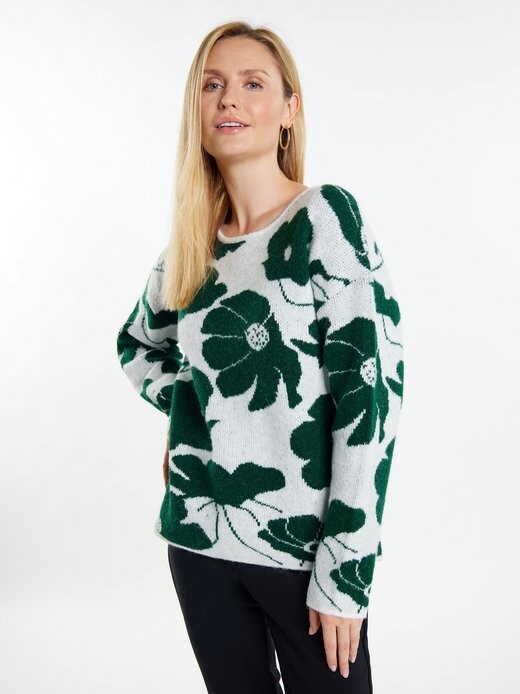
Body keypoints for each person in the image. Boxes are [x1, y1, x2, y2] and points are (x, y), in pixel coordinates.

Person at [116, 20, 405, 694]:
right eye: (212, 84)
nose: (229, 99)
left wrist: (347, 569)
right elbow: (138, 343)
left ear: (288, 110)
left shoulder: (324, 219)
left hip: (304, 552)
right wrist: (189, 411)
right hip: (198, 541)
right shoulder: (192, 246)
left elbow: (371, 395)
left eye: (252, 84)